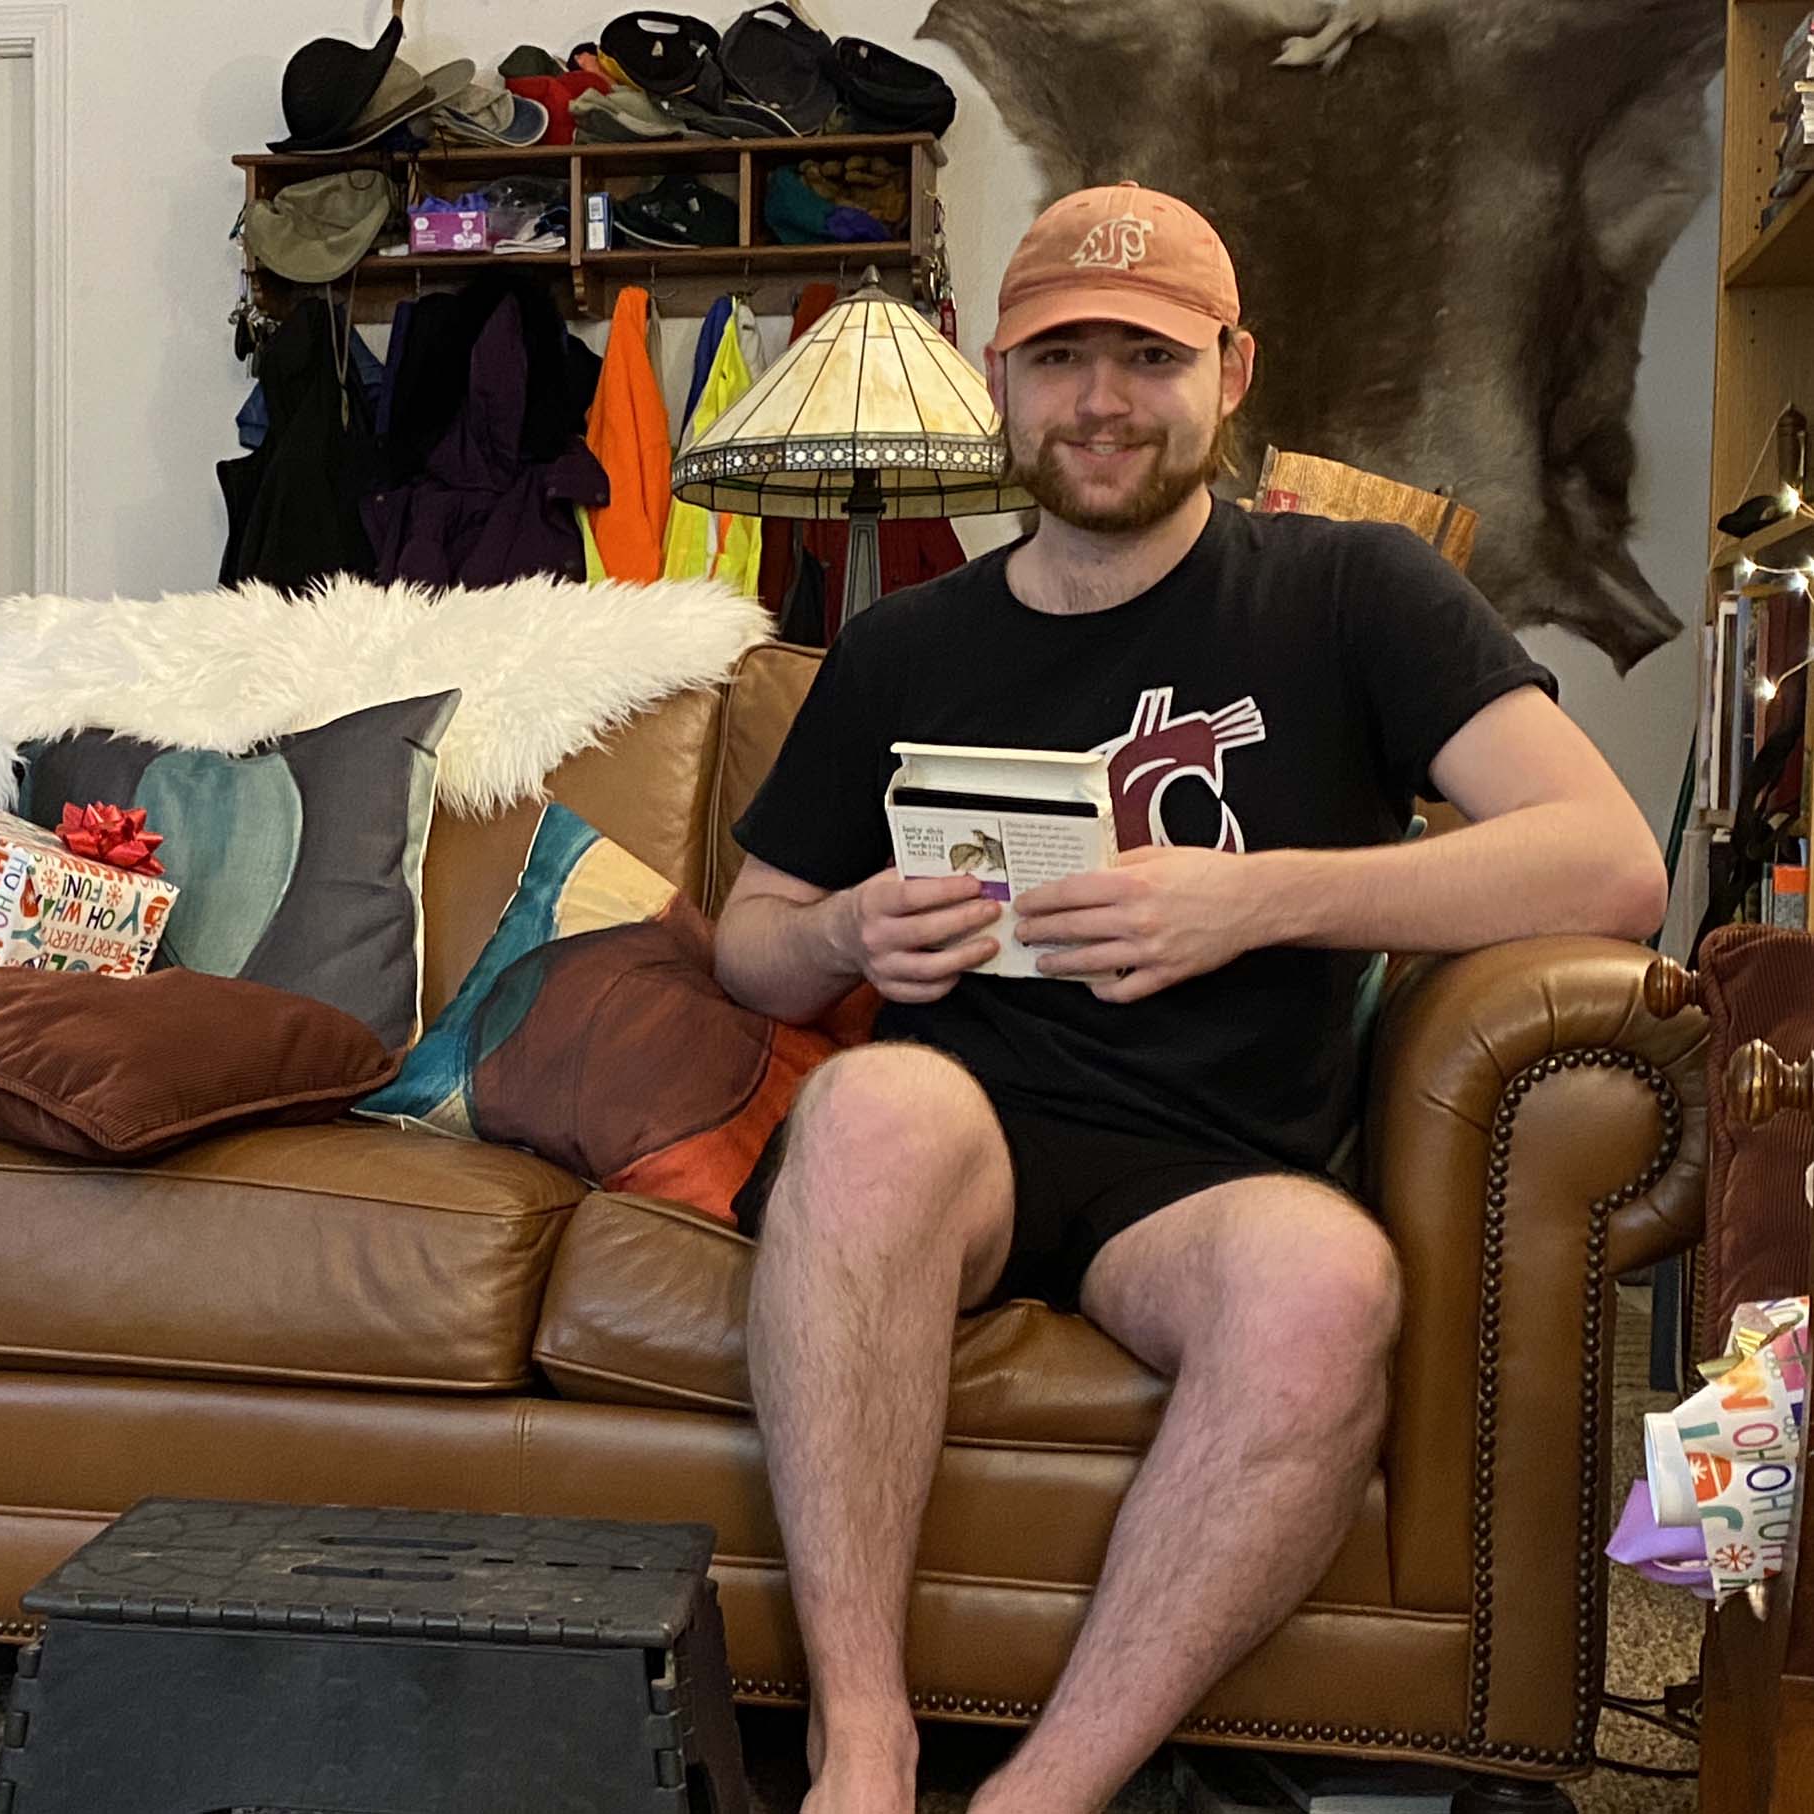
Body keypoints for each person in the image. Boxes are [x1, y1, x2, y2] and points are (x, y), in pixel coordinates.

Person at [712, 181, 1668, 1814]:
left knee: (1326, 1284)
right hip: (966, 1139)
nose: (1101, 400)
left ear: (1232, 371)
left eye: (1148, 356)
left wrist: (1261, 896)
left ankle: (1042, 1793)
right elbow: (751, 937)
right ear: (998, 378)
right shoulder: (900, 644)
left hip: (1216, 1168)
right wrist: (849, 931)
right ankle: (860, 1747)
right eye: (1059, 356)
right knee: (865, 1108)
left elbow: (1611, 861)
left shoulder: (1354, 591)